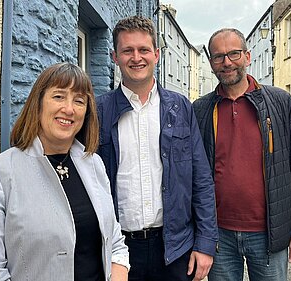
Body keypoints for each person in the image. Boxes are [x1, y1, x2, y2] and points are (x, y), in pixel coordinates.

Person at [0, 62, 130, 281]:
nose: (69, 109)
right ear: (37, 103)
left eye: (79, 101)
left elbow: (114, 242)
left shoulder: (93, 164)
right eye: (58, 96)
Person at [95, 16, 218, 281]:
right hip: (118, 250)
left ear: (157, 55)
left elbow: (201, 178)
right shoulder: (99, 111)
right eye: (127, 50)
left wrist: (205, 243)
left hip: (174, 248)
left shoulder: (180, 107)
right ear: (114, 56)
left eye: (143, 50)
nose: (136, 57)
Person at [192, 28, 291, 281]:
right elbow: (193, 174)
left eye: (234, 54)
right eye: (218, 56)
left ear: (247, 57)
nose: (227, 62)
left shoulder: (280, 102)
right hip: (218, 234)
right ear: (212, 63)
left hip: (269, 233)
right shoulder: (201, 109)